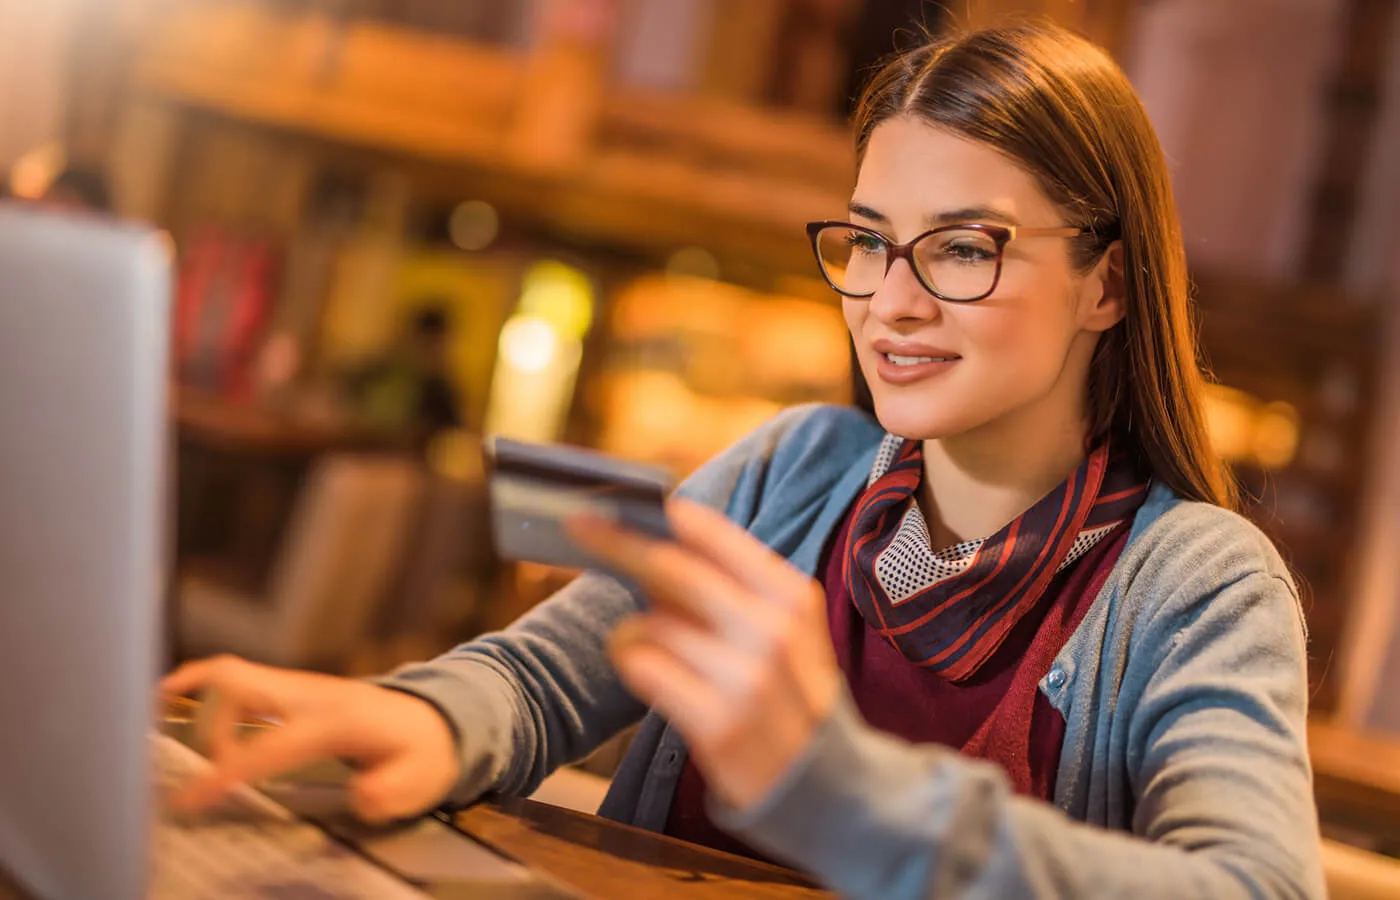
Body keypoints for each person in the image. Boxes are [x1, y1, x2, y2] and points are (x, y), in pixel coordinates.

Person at [162, 22, 1324, 899]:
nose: (890, 303)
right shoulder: (793, 468)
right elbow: (540, 681)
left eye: (963, 247)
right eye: (868, 243)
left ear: (1107, 283)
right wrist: (427, 719)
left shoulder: (1197, 584)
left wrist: (835, 792)